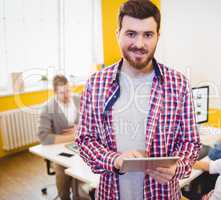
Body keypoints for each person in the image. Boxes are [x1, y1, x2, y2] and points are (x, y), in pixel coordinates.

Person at [75, 1, 201, 199]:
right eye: (131, 33)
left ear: (158, 37)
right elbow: (84, 140)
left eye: (148, 35)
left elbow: (190, 142)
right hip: (111, 193)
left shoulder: (179, 84)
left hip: (162, 194)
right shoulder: (95, 84)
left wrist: (177, 167)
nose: (139, 44)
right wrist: (115, 160)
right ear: (118, 34)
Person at [38, 74, 80, 200]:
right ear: (55, 92)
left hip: (80, 147)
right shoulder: (47, 108)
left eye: (68, 90)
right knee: (62, 171)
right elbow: (43, 137)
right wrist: (74, 136)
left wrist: (80, 128)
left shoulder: (79, 100)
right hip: (59, 153)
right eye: (62, 93)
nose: (67, 95)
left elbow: (92, 121)